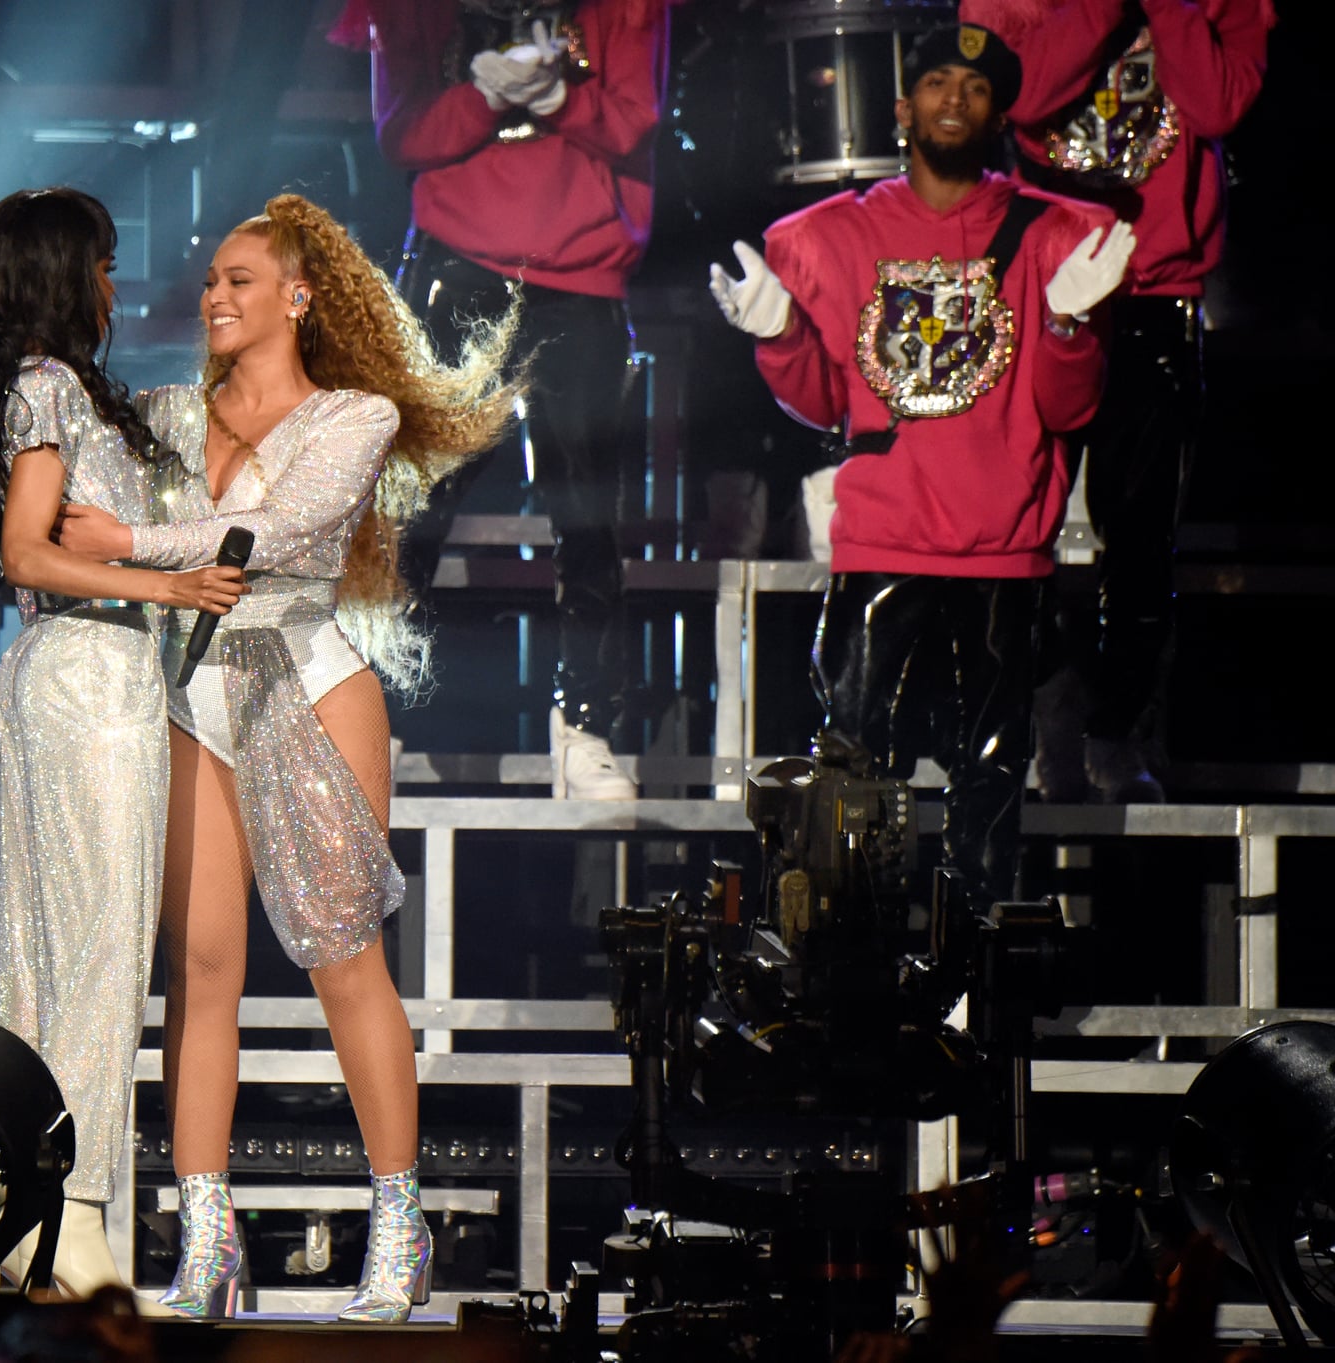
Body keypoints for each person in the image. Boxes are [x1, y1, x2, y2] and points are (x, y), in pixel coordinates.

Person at [57, 193, 519, 1321]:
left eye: (239, 279)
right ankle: (207, 1247)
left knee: (340, 960)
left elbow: (282, 536)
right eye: (210, 280)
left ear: (298, 296)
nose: (214, 295)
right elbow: (59, 476)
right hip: (191, 695)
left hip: (307, 684)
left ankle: (397, 1232)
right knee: (199, 973)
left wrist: (127, 544)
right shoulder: (166, 414)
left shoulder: (349, 416)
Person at [707, 25, 1130, 913]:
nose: (954, 100)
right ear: (902, 107)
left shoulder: (1054, 236)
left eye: (975, 88)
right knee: (854, 776)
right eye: (937, 81)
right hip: (884, 544)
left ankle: (972, 977)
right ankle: (849, 971)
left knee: (988, 781)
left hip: (1001, 554)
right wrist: (781, 336)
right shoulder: (831, 237)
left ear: (998, 113)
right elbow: (827, 402)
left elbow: (1070, 409)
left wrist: (1064, 332)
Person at [0, 188, 248, 1299]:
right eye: (104, 265)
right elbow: (24, 550)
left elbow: (6, 524)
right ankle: (73, 1212)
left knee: (52, 950)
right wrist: (164, 576)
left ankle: (28, 1211)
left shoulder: (44, 390)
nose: (117, 286)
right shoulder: (50, 385)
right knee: (100, 952)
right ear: (63, 274)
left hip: (65, 673)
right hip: (89, 668)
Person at [337, 0, 672, 799]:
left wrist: (558, 99)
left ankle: (584, 728)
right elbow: (402, 134)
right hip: (460, 265)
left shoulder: (625, 7)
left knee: (589, 512)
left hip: (582, 272)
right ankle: (367, 711)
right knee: (412, 505)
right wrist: (486, 96)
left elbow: (634, 121)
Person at [958, 0, 1273, 803]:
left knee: (1138, 532)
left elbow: (1214, 104)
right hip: (1049, 285)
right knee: (1009, 523)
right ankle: (1051, 697)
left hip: (1157, 293)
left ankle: (1117, 726)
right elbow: (1017, 94)